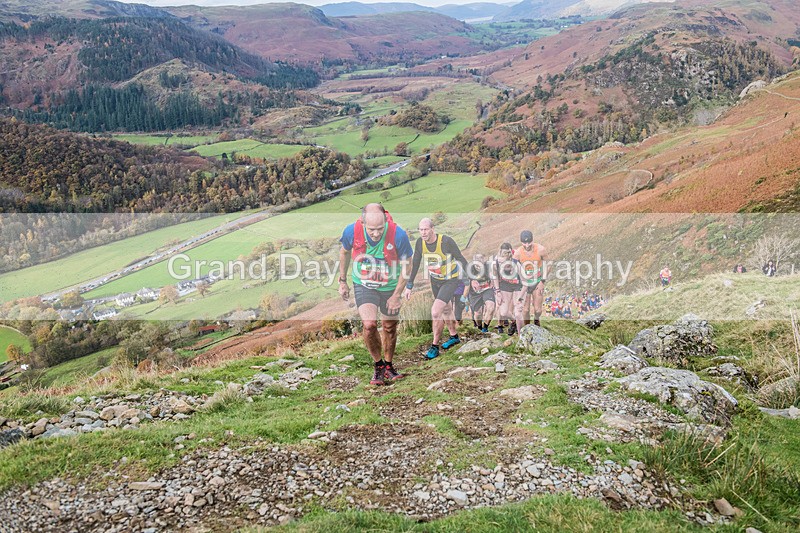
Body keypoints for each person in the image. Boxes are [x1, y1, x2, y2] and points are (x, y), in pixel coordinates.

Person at [339, 203, 413, 386]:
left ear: (385, 220)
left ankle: (388, 366)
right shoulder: (352, 232)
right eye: (372, 229)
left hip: (391, 286)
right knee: (370, 324)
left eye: (380, 228)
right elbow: (344, 252)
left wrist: (397, 295)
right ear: (363, 223)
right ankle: (378, 365)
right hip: (365, 285)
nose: (376, 233)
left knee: (389, 327)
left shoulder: (398, 234)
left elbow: (408, 266)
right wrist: (342, 281)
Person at [403, 217, 469, 359]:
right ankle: (454, 336)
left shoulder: (446, 241)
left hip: (450, 280)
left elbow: (460, 259)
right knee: (446, 308)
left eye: (426, 229)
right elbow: (415, 264)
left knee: (435, 311)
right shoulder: (420, 243)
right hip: (435, 281)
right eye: (420, 230)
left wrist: (472, 279)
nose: (423, 233)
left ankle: (434, 346)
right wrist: (409, 285)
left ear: (433, 229)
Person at [514, 230, 546, 328]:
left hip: (537, 281)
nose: (527, 245)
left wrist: (542, 281)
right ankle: (527, 328)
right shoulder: (518, 253)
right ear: (521, 242)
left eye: (529, 242)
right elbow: (515, 269)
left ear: (533, 240)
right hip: (525, 284)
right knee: (526, 310)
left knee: (538, 310)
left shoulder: (541, 249)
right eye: (524, 243)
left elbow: (547, 265)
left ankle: (536, 319)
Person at [492, 242, 522, 335]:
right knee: (503, 312)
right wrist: (497, 292)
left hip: (518, 284)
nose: (502, 263)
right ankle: (513, 321)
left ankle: (520, 332)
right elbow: (495, 276)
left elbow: (525, 280)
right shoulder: (495, 262)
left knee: (518, 310)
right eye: (501, 261)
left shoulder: (516, 261)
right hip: (505, 284)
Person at [465, 254, 496, 333]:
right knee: (478, 314)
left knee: (491, 307)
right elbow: (466, 282)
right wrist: (472, 281)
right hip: (475, 293)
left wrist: (493, 280)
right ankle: (479, 327)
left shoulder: (488, 266)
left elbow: (494, 274)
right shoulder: (469, 268)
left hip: (487, 289)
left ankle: (485, 328)